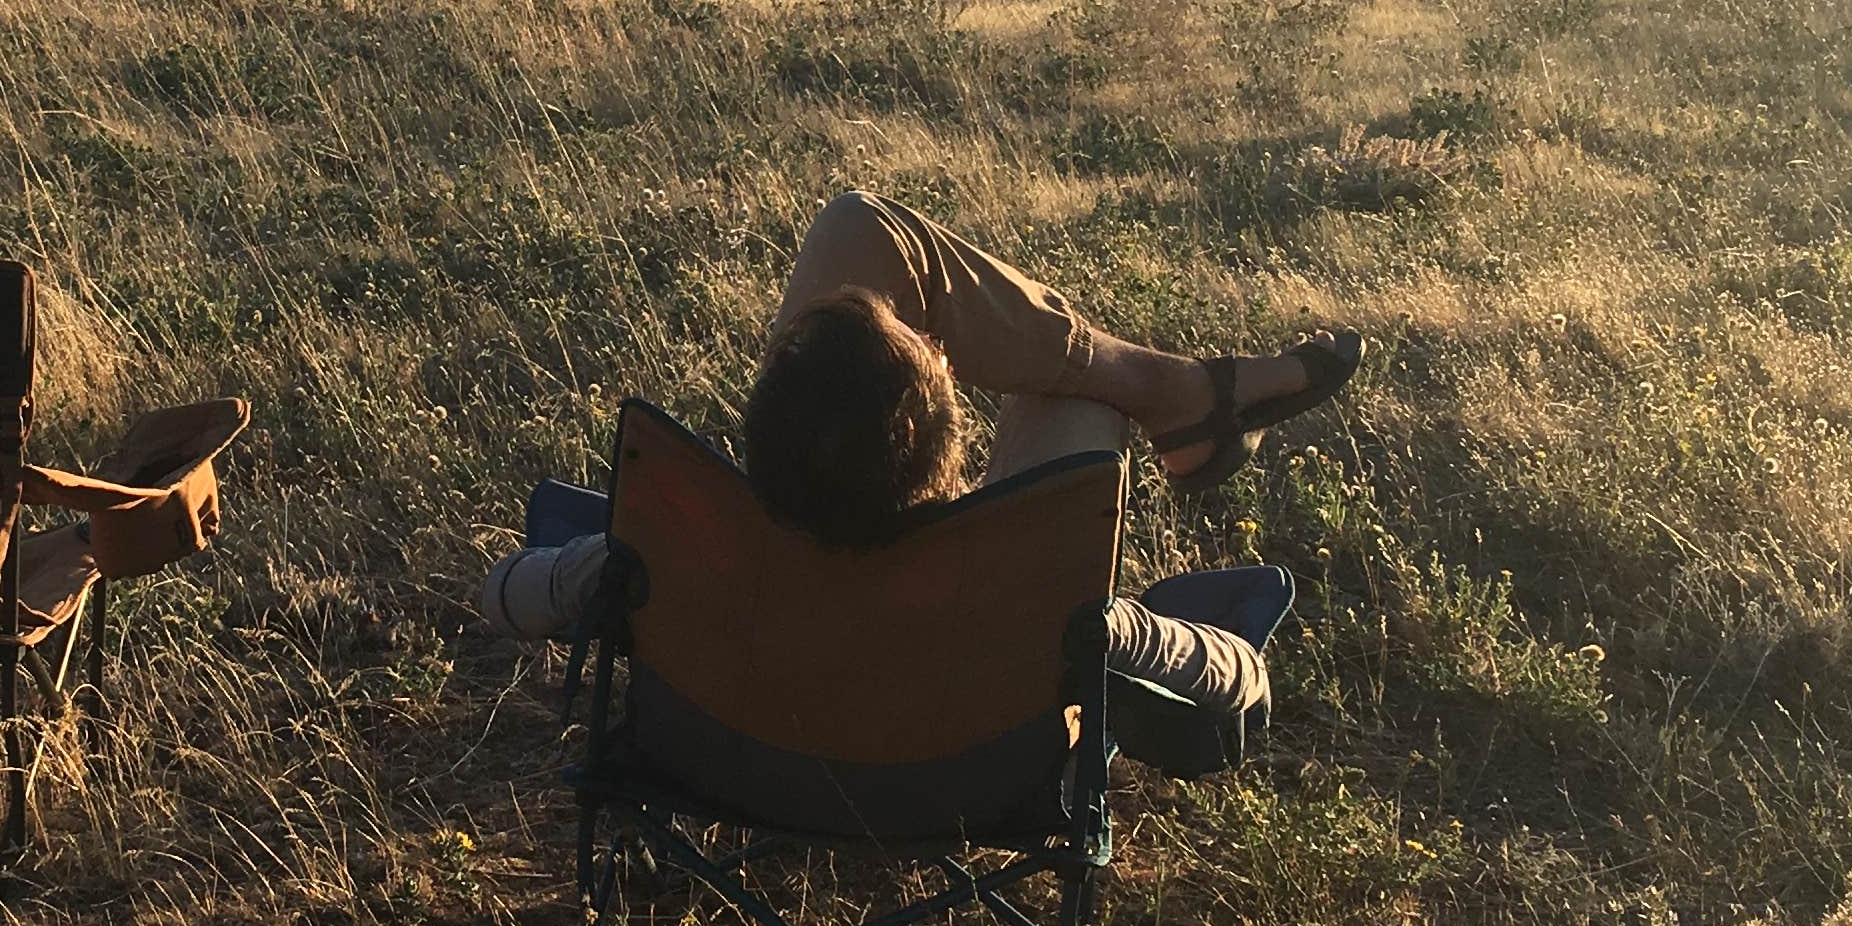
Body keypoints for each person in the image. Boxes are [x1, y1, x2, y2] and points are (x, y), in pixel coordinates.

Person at [482, 187, 1361, 665]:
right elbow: (1230, 680)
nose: (940, 346)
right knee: (1077, 396)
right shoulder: (1040, 612)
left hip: (759, 714)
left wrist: (600, 562)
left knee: (857, 231)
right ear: (944, 439)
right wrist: (1175, 636)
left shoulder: (703, 559)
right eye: (935, 358)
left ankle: (1186, 396)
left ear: (764, 437)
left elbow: (504, 595)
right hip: (969, 718)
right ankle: (1183, 398)